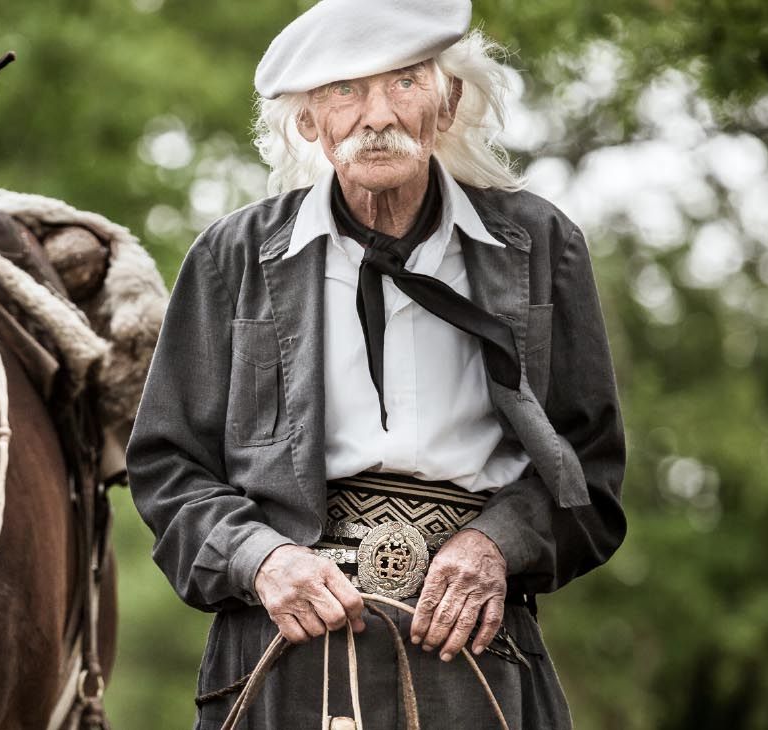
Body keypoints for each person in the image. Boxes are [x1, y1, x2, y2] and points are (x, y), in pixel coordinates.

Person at [126, 1, 627, 727]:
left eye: (404, 83)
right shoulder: (231, 256)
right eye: (344, 91)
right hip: (281, 659)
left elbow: (591, 476)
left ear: (448, 101)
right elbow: (168, 470)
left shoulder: (542, 245)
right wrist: (262, 560)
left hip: (476, 657)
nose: (375, 114)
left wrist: (497, 544)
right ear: (308, 121)